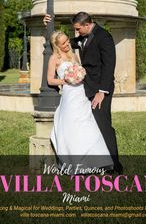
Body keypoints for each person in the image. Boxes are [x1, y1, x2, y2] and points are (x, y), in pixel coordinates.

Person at [44, 12, 123, 174]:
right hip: (85, 90)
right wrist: (48, 26)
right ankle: (91, 161)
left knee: (104, 126)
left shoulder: (104, 37)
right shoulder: (81, 38)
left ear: (87, 25)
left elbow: (109, 66)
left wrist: (102, 91)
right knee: (92, 125)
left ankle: (115, 166)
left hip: (100, 90)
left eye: (78, 29)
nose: (77, 32)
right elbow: (59, 43)